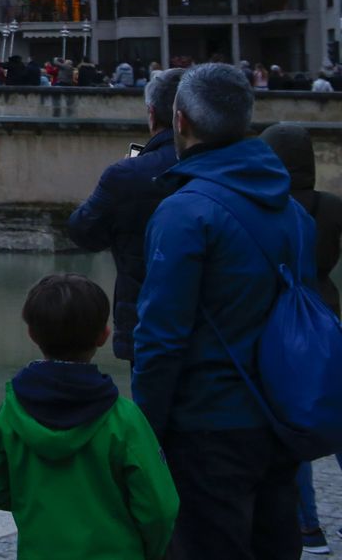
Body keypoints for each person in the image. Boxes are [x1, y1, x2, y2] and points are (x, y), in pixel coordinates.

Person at [133, 63, 315, 559]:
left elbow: (161, 338)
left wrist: (143, 433)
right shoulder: (293, 211)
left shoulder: (184, 212)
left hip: (207, 425)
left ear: (180, 121)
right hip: (280, 416)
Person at [0, 274, 178, 559]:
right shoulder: (124, 419)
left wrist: (36, 505)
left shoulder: (12, 414)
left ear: (31, 334)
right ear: (104, 335)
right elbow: (160, 509)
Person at [260, 123, 342, 552]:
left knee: (292, 425)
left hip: (284, 324)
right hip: (328, 315)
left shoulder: (271, 207)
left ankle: (309, 527)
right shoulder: (330, 206)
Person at [65, 69, 183, 361]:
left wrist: (118, 185)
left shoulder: (129, 174)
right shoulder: (234, 168)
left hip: (147, 326)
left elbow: (82, 231)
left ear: (151, 114)